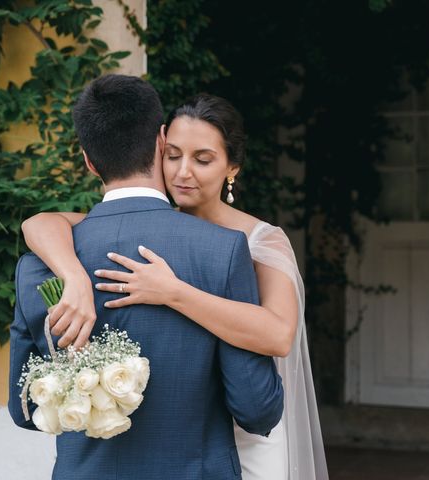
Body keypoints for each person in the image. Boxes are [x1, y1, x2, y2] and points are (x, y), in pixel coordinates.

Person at [23, 92, 329, 480]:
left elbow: (279, 334)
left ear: (231, 167)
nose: (183, 172)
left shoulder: (261, 240)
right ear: (158, 149)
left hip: (245, 437)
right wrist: (75, 278)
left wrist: (173, 292)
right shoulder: (155, 226)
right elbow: (38, 224)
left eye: (203, 160)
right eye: (173, 156)